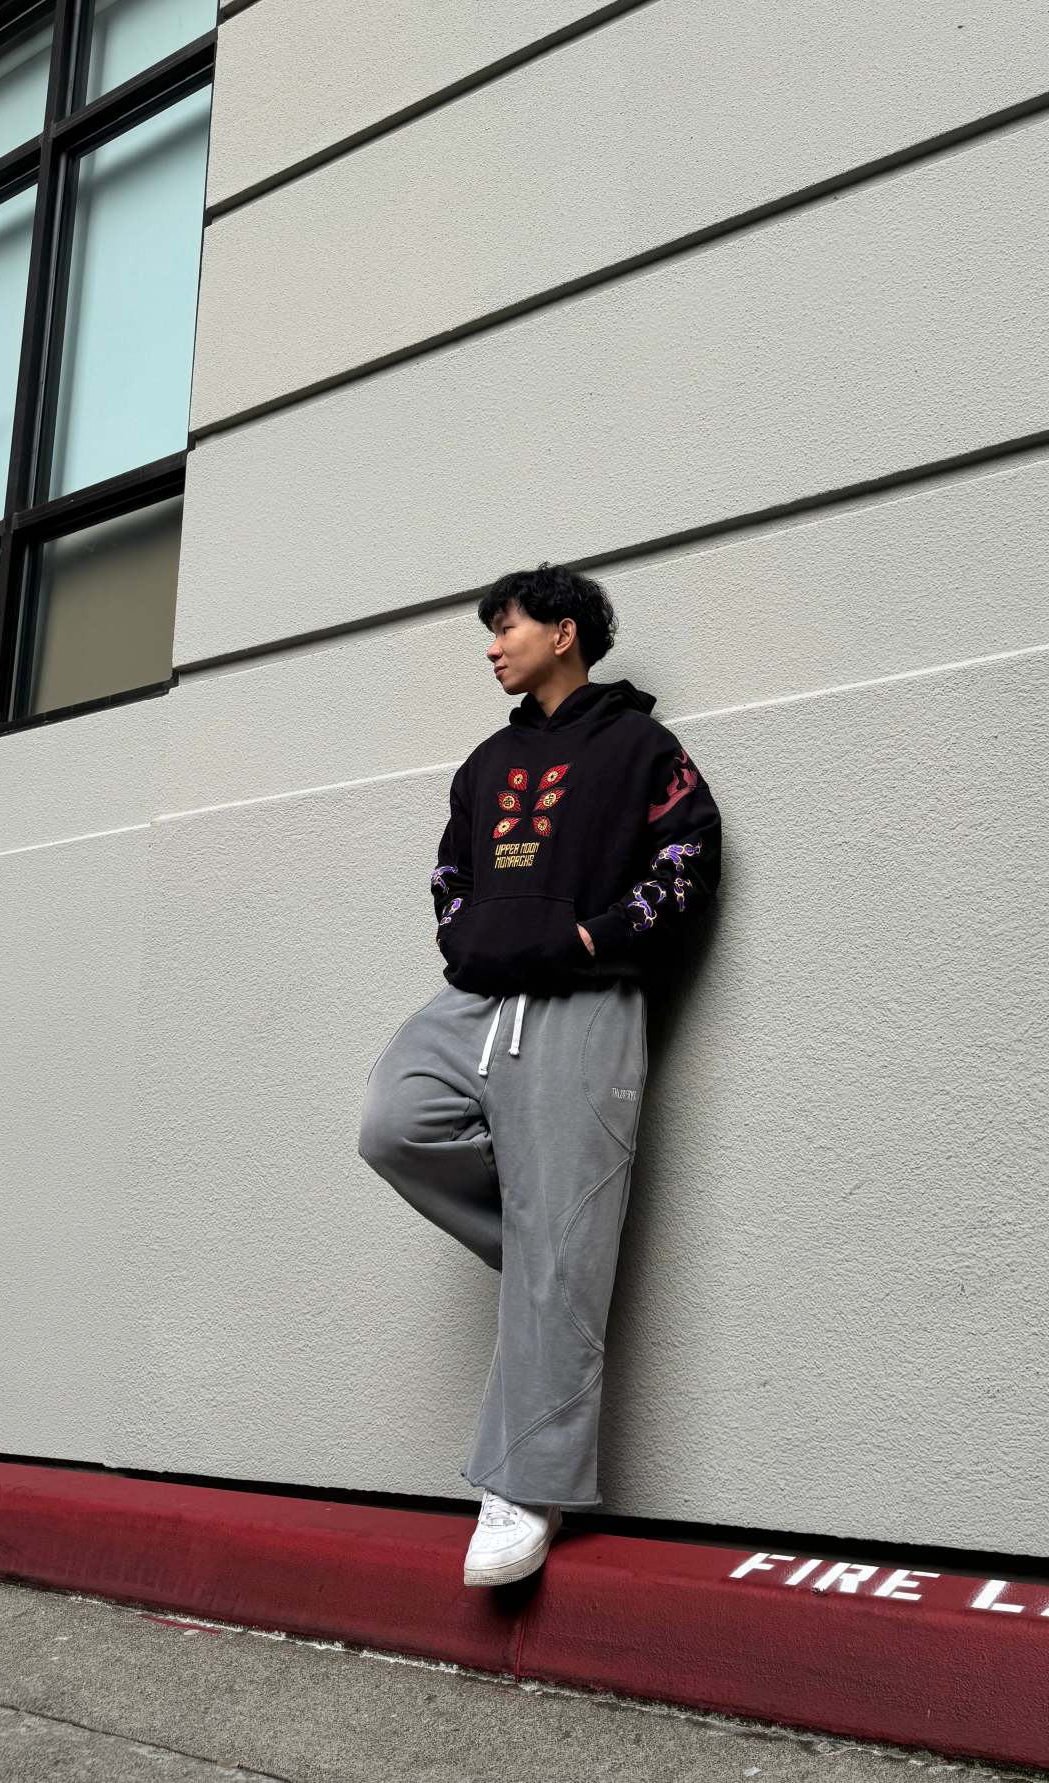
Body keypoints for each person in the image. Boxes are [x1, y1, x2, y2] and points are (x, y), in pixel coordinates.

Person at [358, 562, 722, 1587]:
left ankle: (526, 1485)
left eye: (506, 626)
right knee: (393, 1121)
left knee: (564, 1244)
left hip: (584, 999)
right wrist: (465, 937)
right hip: (483, 993)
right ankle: (553, 1260)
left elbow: (689, 860)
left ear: (564, 632)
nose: (491, 646)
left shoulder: (641, 747)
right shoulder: (486, 761)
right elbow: (449, 872)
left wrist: (590, 937)